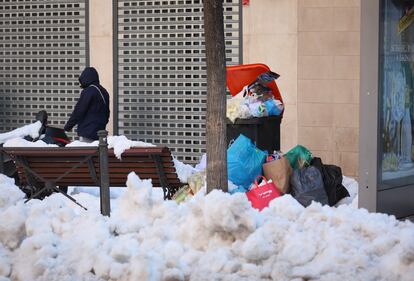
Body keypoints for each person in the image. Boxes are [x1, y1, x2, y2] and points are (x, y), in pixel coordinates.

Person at [64, 67, 110, 142]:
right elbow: (107, 113)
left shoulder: (89, 91)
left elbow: (79, 111)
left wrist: (68, 127)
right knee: (98, 152)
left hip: (87, 132)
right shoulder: (104, 91)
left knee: (86, 152)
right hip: (100, 132)